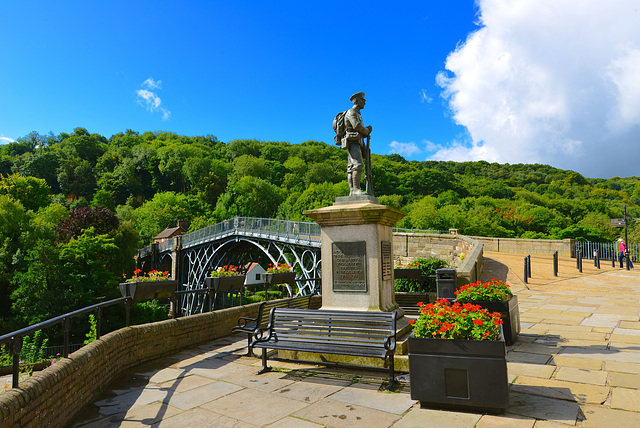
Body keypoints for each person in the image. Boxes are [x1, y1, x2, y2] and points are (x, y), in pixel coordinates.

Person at [343, 92, 372, 196]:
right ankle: (355, 190)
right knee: (357, 165)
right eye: (362, 99)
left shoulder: (358, 114)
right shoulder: (351, 112)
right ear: (356, 101)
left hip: (357, 141)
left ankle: (353, 191)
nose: (364, 101)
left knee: (352, 167)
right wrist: (367, 130)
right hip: (352, 142)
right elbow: (357, 126)